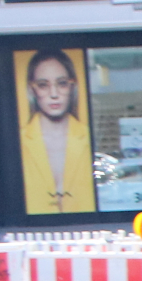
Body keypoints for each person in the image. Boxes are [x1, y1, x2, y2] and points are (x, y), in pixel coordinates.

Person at [22, 48, 92, 210]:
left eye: (62, 84)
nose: (54, 94)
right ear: (32, 89)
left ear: (72, 86)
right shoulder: (19, 141)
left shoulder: (88, 137)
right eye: (43, 85)